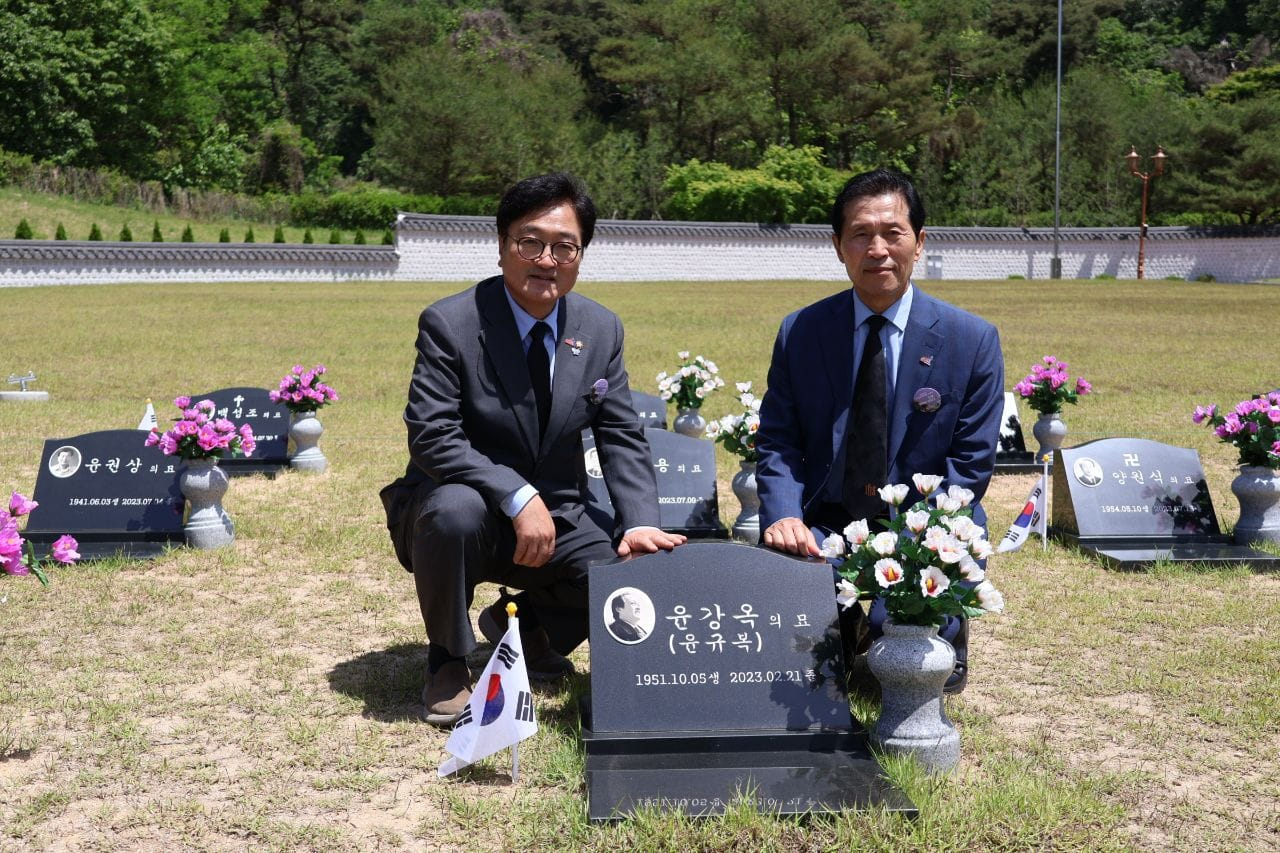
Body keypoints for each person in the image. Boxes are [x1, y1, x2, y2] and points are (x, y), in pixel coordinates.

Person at [380, 172, 686, 725]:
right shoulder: (451, 322)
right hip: (459, 509)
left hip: (560, 515)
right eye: (530, 242)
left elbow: (620, 434)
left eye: (565, 246)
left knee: (624, 575)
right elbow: (431, 434)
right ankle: (448, 658)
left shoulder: (600, 327)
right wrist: (516, 494)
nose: (547, 259)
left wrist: (639, 521)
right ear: (501, 247)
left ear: (581, 255)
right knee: (454, 512)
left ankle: (522, 625)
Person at [755, 168, 1004, 694]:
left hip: (924, 526)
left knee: (902, 653)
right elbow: (779, 439)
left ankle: (934, 635)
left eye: (893, 233)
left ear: (920, 242)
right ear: (838, 246)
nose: (878, 249)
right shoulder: (801, 331)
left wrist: (918, 539)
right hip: (829, 519)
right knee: (804, 652)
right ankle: (842, 628)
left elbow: (971, 465)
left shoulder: (971, 339)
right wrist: (783, 515)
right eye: (860, 234)